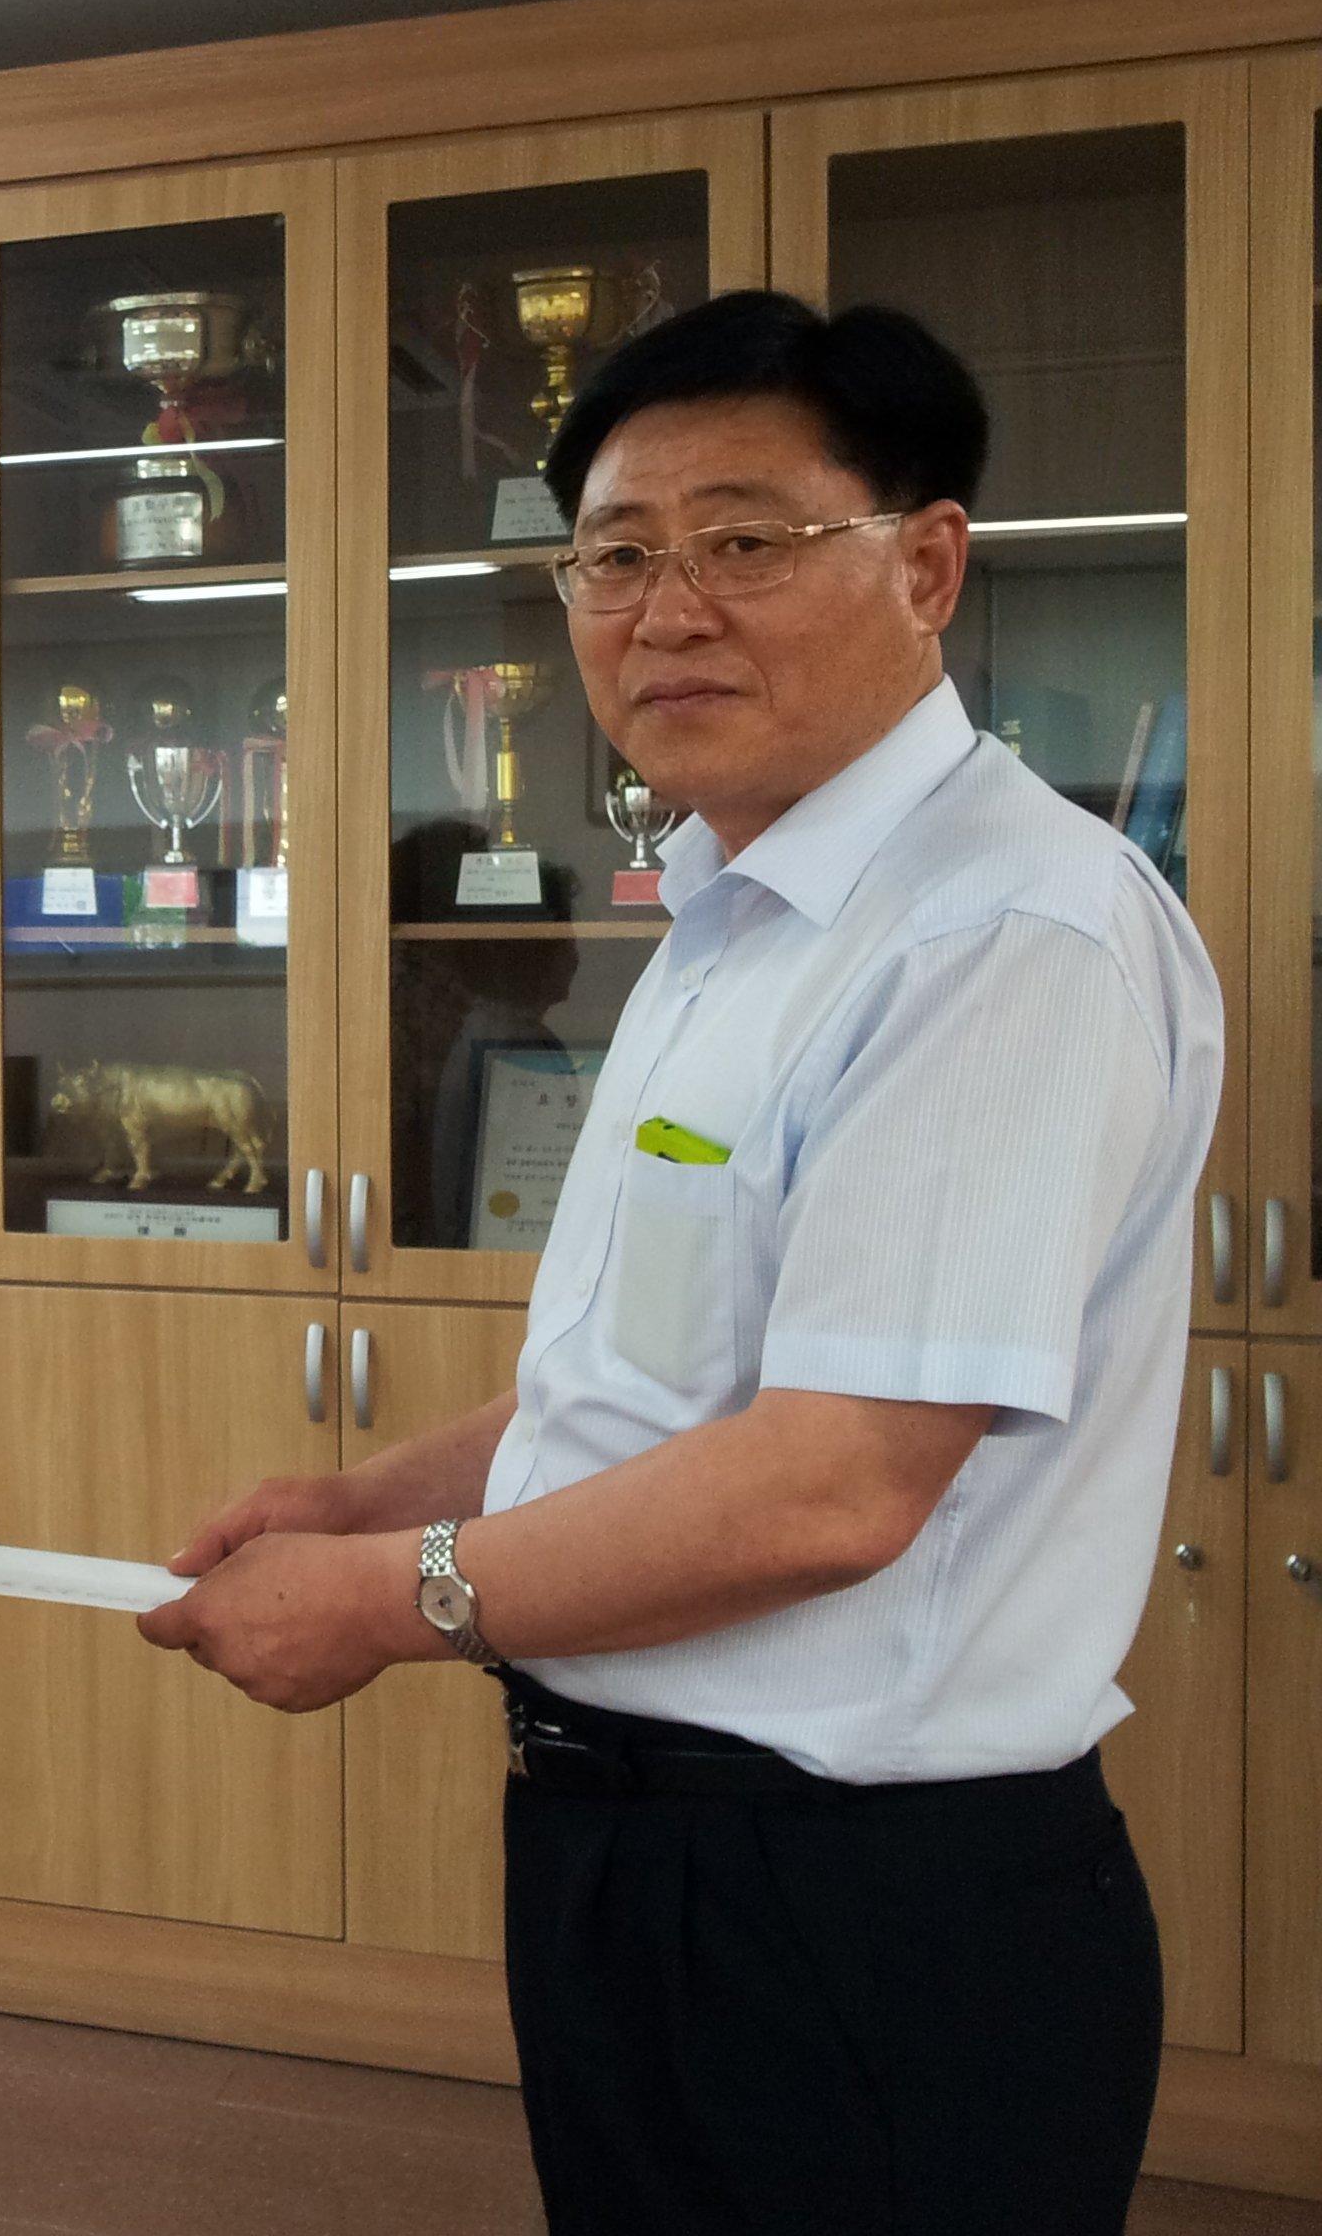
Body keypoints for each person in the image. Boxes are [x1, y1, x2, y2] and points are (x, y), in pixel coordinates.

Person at [142, 290, 1219, 2235]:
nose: (668, 610)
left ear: (928, 567)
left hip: (858, 1901)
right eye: (619, 556)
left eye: (747, 542)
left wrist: (390, 1594)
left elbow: (832, 1485)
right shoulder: (737, 910)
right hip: (647, 1852)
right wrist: (364, 1497)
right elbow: (651, 1378)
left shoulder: (1003, 932)